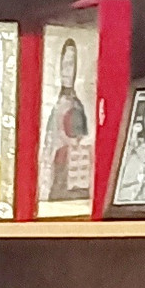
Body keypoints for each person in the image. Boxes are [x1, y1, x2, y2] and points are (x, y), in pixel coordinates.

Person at [42, 38, 91, 205]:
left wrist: (70, 140)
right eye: (63, 65)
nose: (66, 71)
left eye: (70, 65)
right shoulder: (56, 103)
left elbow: (80, 136)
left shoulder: (77, 104)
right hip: (55, 164)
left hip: (71, 166)